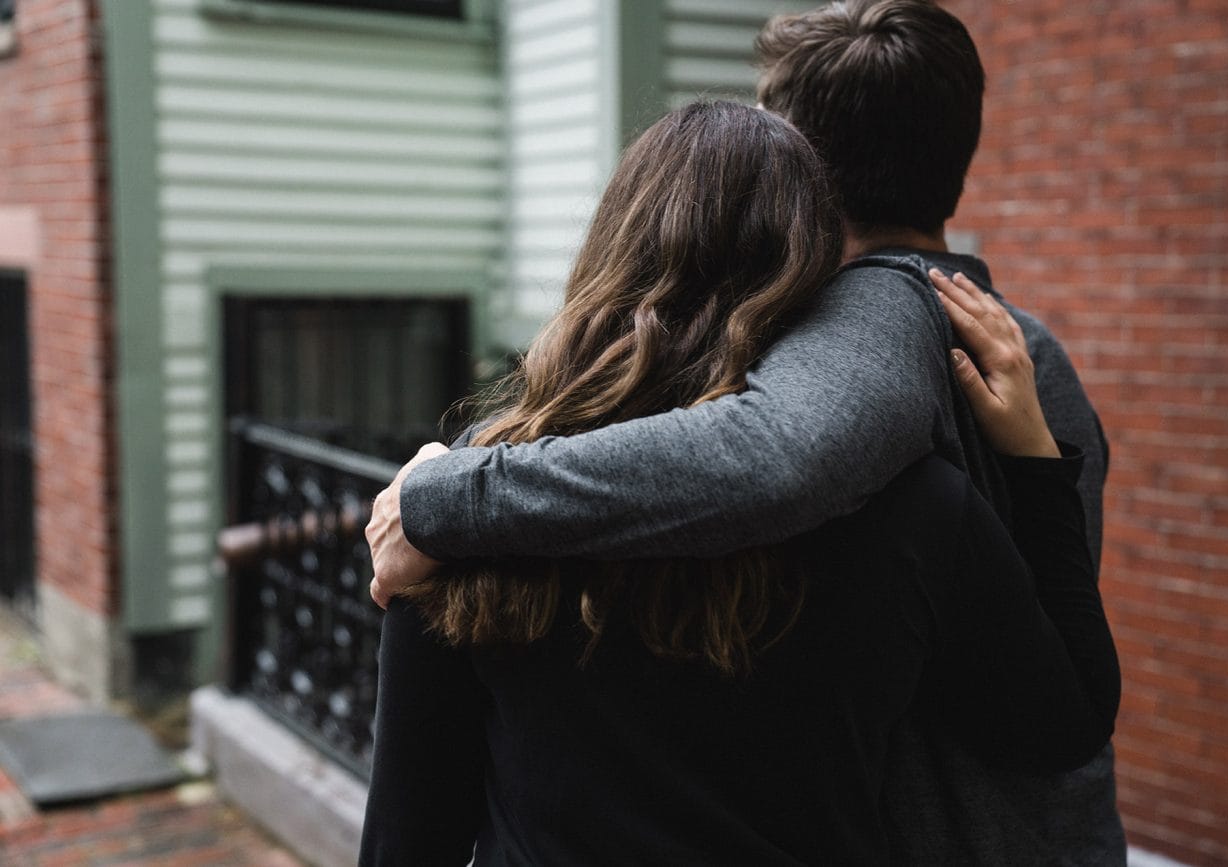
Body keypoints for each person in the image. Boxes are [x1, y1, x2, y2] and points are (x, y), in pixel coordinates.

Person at [366, 1, 1122, 863]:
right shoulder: (1028, 363)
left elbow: (775, 458)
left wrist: (443, 491)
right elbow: (1057, 681)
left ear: (811, 175)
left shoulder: (871, 347)